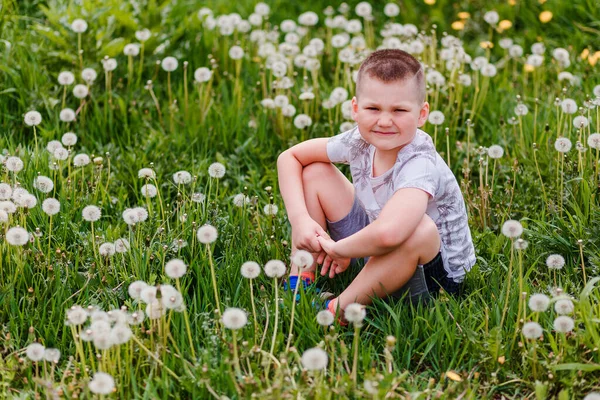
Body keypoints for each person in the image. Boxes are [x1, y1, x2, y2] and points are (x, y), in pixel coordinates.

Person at [276, 49, 475, 322]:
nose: (384, 121)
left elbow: (390, 235)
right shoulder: (359, 140)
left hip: (429, 278)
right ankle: (302, 276)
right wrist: (299, 220)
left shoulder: (421, 164)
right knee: (315, 172)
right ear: (356, 109)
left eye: (399, 110)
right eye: (373, 108)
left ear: (422, 113)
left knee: (419, 229)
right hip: (375, 243)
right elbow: (290, 157)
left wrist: (340, 249)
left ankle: (336, 311)